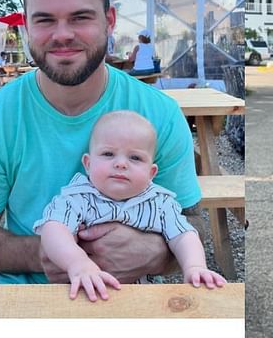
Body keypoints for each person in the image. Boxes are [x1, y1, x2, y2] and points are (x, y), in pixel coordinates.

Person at [0, 0, 203, 285]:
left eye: (80, 17)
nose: (62, 34)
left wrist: (156, 253)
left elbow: (190, 220)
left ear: (109, 21)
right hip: (29, 304)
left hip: (130, 304)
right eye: (44, 20)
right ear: (26, 27)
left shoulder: (160, 114)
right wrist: (50, 254)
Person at [34, 111, 225, 301]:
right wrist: (78, 263)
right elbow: (54, 229)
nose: (120, 163)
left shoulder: (160, 203)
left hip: (143, 297)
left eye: (135, 158)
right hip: (84, 294)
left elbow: (184, 236)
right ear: (88, 164)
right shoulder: (77, 198)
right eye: (108, 154)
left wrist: (194, 267)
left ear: (151, 173)